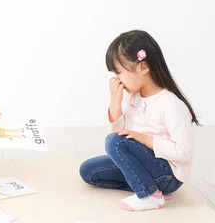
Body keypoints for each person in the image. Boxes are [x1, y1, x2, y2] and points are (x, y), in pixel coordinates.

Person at [79, 30, 200, 211]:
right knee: (89, 171)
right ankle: (151, 188)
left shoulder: (171, 104)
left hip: (168, 174)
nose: (116, 78)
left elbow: (184, 152)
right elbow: (118, 132)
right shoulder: (133, 97)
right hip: (146, 166)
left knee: (114, 143)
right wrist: (115, 100)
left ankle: (149, 194)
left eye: (119, 72)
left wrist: (143, 139)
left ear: (143, 68)